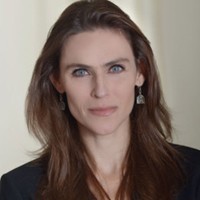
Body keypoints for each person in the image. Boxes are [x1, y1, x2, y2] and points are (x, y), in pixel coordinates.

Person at [0, 0, 200, 199]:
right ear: (57, 81)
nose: (100, 90)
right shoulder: (18, 189)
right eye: (81, 72)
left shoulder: (194, 174)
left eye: (115, 68)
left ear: (140, 72)